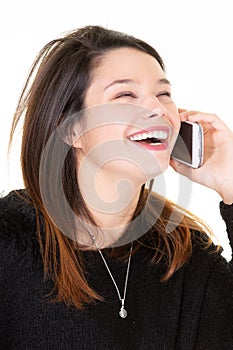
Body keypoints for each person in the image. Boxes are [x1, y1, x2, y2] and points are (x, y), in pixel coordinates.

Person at [1, 25, 233, 350]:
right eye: (125, 95)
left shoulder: (186, 257)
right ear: (71, 129)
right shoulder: (9, 244)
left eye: (163, 94)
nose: (158, 109)